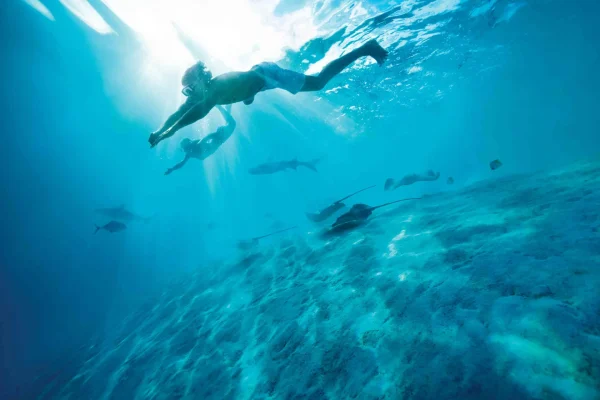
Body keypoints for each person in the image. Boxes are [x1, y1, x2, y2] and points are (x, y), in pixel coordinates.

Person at [149, 39, 389, 147]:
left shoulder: (217, 86)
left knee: (317, 83)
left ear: (201, 81)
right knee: (246, 96)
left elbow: (199, 112)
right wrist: (159, 130)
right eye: (185, 92)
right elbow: (181, 111)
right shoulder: (206, 92)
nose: (188, 95)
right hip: (253, 82)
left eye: (190, 89)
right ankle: (249, 94)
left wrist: (170, 132)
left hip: (265, 75)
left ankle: (364, 48)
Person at [164, 105, 236, 175]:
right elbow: (181, 163)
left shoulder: (190, 151)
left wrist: (172, 169)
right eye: (183, 147)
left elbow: (182, 163)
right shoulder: (190, 151)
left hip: (220, 137)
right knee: (230, 123)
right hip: (219, 137)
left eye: (183, 147)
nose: (184, 149)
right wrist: (172, 169)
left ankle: (219, 106)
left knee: (231, 123)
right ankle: (222, 108)